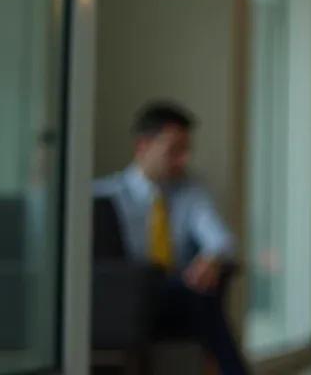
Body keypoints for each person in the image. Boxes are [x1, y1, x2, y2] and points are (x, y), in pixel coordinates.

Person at [94, 101, 248, 375]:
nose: (184, 159)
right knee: (203, 300)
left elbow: (221, 239)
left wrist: (211, 258)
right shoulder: (104, 194)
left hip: (179, 295)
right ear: (142, 147)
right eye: (174, 151)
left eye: (186, 150)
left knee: (202, 291)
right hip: (126, 301)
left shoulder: (190, 191)